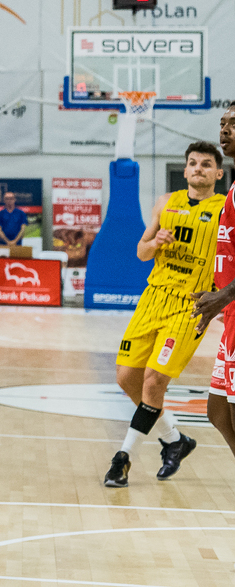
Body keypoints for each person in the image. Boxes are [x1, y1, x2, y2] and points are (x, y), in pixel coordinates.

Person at [103, 140, 225, 488]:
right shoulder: (165, 202)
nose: (198, 168)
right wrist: (155, 243)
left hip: (190, 304)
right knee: (127, 379)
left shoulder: (225, 208)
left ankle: (122, 459)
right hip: (153, 298)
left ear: (219, 173)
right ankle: (175, 440)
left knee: (154, 381)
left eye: (206, 164)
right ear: (185, 170)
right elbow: (141, 252)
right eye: (193, 163)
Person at [190, 106, 235, 468]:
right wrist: (219, 299)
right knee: (217, 411)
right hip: (231, 312)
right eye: (222, 124)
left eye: (234, 124)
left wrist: (224, 294)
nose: (225, 130)